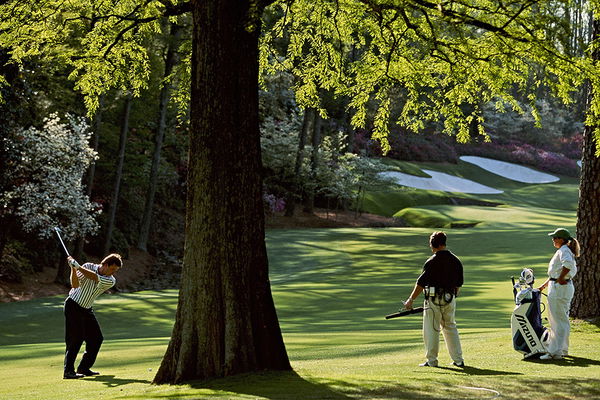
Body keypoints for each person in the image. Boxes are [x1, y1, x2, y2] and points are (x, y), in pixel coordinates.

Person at [403, 231, 465, 368]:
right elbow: (458, 284)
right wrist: (452, 296)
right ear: (444, 243)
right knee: (450, 327)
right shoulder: (456, 260)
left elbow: (420, 283)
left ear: (433, 245)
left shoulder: (431, 261)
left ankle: (432, 361)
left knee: (431, 329)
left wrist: (410, 300)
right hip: (450, 298)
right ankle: (458, 360)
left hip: (433, 299)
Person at [63, 253, 122, 379]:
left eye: (115, 271)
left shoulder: (110, 280)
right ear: (105, 264)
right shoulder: (88, 266)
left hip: (87, 308)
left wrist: (78, 267)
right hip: (73, 305)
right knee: (76, 338)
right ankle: (68, 371)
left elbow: (94, 277)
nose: (112, 273)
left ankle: (84, 368)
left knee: (96, 339)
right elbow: (75, 285)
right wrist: (73, 268)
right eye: (112, 269)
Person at [537, 228, 579, 360]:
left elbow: (567, 266)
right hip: (558, 286)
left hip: (560, 288)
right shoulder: (562, 250)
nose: (553, 240)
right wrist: (544, 286)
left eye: (555, 237)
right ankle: (562, 349)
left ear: (562, 239)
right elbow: (555, 272)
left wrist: (561, 278)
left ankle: (555, 352)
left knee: (557, 320)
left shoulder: (564, 251)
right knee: (561, 319)